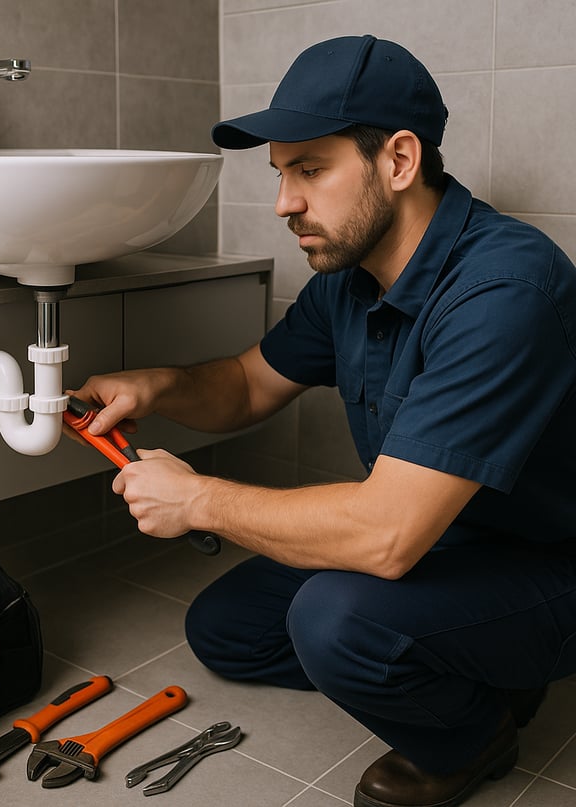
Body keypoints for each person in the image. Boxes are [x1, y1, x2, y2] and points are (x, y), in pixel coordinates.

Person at [70, 35, 576, 807]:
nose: (283, 203)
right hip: (449, 536)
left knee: (337, 620)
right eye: (280, 173)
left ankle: (477, 732)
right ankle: (469, 661)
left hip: (548, 565)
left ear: (399, 161)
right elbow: (245, 385)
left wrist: (198, 499)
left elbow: (386, 534)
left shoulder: (504, 291)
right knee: (227, 627)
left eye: (309, 169)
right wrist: (157, 386)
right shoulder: (352, 272)